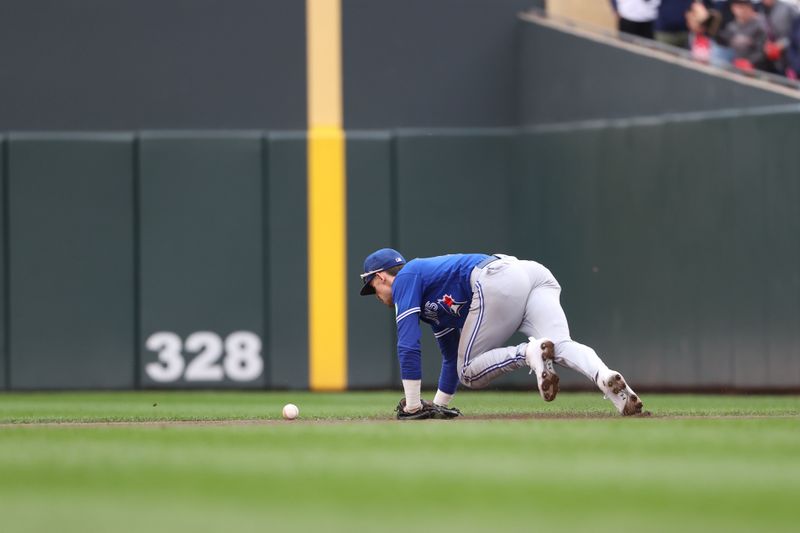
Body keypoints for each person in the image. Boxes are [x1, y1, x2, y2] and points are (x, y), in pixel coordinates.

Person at [359, 248, 646, 418]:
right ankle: (607, 378)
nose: (375, 295)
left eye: (372, 288)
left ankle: (528, 352)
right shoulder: (429, 302)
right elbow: (449, 357)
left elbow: (408, 344)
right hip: (529, 274)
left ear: (380, 277)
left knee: (469, 372)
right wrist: (437, 407)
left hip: (494, 278)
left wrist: (412, 405)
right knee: (561, 344)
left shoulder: (406, 279)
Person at [717, 0, 769, 71]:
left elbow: (762, 51)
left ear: (750, 8)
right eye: (738, 7)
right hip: (734, 66)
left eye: (743, 7)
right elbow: (724, 43)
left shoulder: (759, 25)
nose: (741, 11)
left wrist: (750, 62)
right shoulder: (731, 26)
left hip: (755, 69)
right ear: (733, 8)